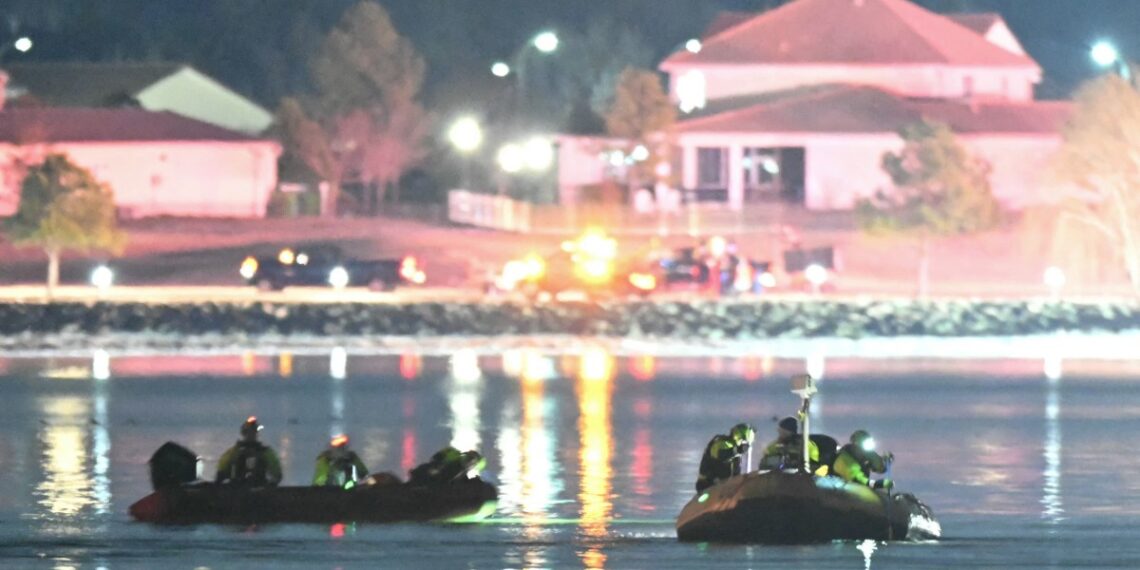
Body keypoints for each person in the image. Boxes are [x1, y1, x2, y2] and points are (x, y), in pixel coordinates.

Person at [215, 416, 283, 487]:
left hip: (257, 489)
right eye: (249, 432)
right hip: (237, 491)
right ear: (244, 433)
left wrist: (271, 485)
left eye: (253, 431)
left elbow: (277, 474)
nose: (251, 434)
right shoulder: (234, 452)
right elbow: (221, 472)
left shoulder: (265, 452)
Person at [695, 423, 755, 493]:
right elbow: (721, 455)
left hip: (727, 487)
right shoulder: (721, 443)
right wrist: (737, 450)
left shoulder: (736, 452)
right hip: (708, 485)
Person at [409, 447, 486, 485]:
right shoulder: (453, 456)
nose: (470, 462)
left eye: (473, 462)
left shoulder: (462, 474)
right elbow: (435, 460)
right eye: (470, 458)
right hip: (427, 480)